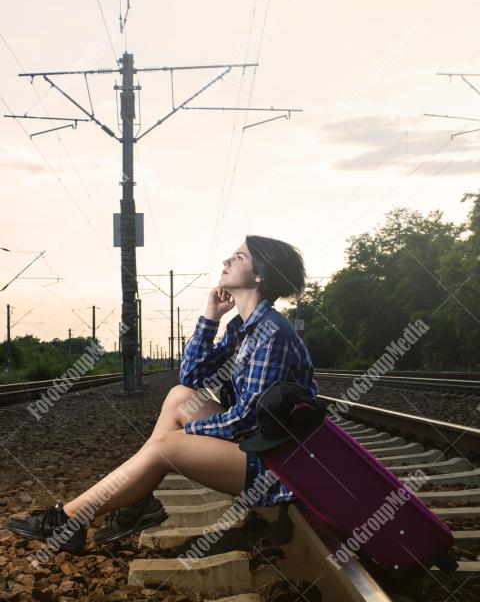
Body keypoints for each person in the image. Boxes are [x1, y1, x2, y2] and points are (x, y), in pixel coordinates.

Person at [6, 235, 319, 554]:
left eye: (238, 258)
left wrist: (184, 436)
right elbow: (192, 376)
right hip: (261, 445)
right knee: (179, 396)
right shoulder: (243, 327)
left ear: (259, 275)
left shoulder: (271, 333)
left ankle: (69, 520)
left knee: (165, 445)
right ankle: (138, 501)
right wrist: (211, 317)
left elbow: (247, 421)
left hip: (279, 466)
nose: (226, 262)